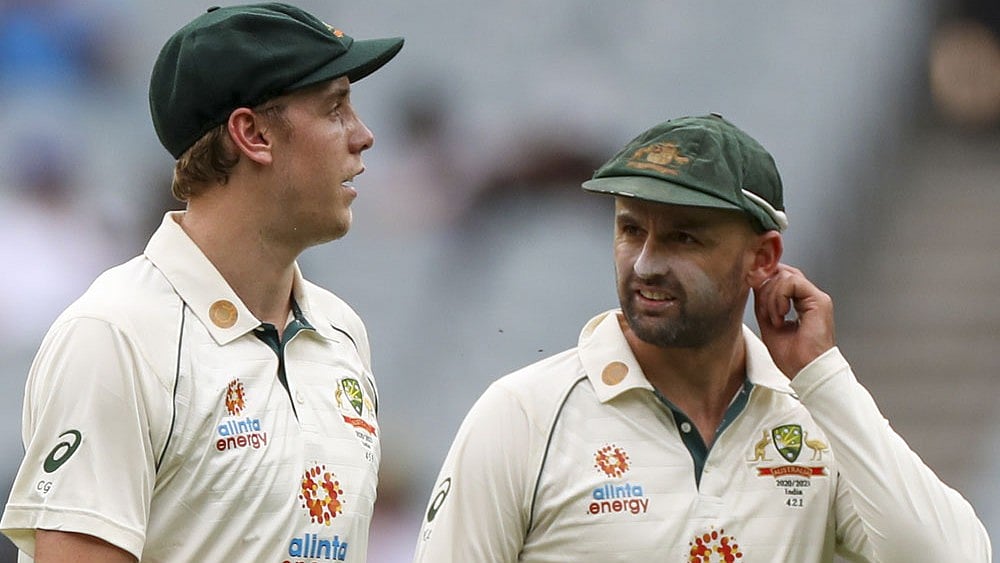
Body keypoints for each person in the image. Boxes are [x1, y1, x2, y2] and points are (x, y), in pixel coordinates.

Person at [413, 114, 991, 561]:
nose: (645, 264)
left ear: (763, 258)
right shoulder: (522, 416)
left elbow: (953, 556)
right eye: (630, 230)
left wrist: (823, 377)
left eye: (684, 238)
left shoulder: (813, 422)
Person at [0, 3, 402, 562]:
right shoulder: (116, 335)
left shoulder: (342, 332)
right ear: (252, 134)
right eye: (335, 109)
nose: (363, 135)